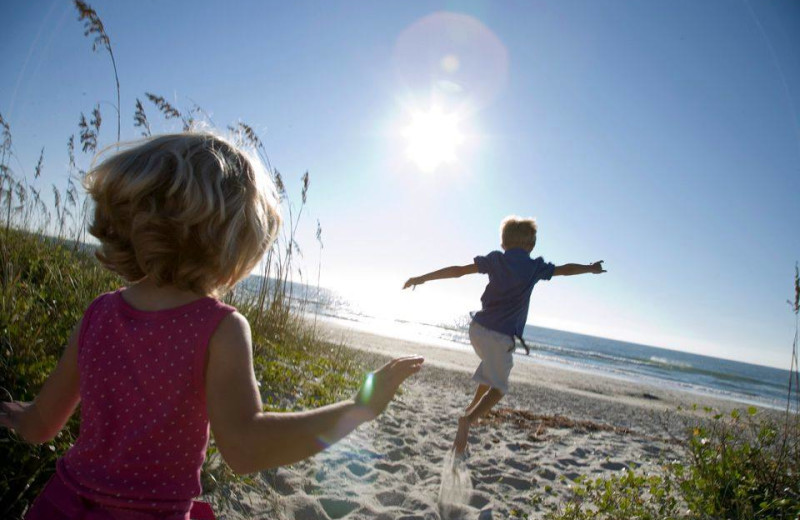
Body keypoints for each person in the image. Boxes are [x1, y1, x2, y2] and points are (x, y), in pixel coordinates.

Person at [0, 133, 424, 520]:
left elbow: (40, 425)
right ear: (236, 239)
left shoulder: (98, 314)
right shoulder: (219, 328)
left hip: (58, 507)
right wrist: (358, 409)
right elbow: (244, 448)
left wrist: (13, 414)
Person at [403, 215, 604, 454]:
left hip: (477, 330)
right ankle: (468, 421)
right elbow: (565, 270)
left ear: (503, 244)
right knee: (499, 389)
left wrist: (422, 278)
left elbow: (458, 271)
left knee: (491, 371)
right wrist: (590, 269)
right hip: (500, 338)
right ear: (531, 246)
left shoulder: (496, 260)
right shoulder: (534, 267)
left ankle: (470, 409)